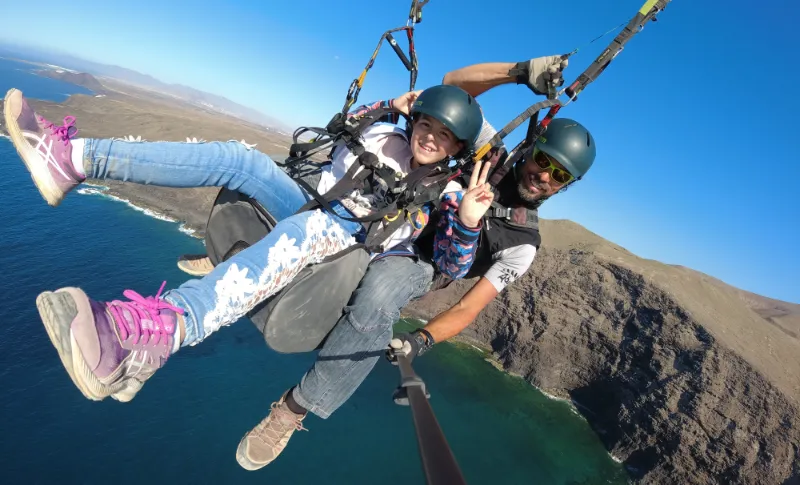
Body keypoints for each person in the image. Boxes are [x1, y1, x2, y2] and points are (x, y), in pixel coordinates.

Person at [2, 82, 496, 463]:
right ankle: (70, 159)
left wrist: (470, 224)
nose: (431, 137)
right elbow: (345, 123)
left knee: (304, 233)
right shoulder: (386, 132)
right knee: (236, 159)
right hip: (309, 201)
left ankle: (154, 337)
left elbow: (448, 265)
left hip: (344, 243)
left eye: (445, 135)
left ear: (457, 148)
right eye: (427, 124)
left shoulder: (444, 192)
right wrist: (391, 102)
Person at [171, 55, 593, 471]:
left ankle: (293, 409)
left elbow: (470, 306)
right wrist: (521, 73)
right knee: (310, 203)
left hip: (422, 258)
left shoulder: (523, 244)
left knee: (379, 297)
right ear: (532, 150)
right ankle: (235, 264)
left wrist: (422, 339)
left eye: (560, 175)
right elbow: (452, 87)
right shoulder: (490, 153)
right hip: (390, 208)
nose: (545, 176)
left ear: (566, 185)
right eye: (544, 162)